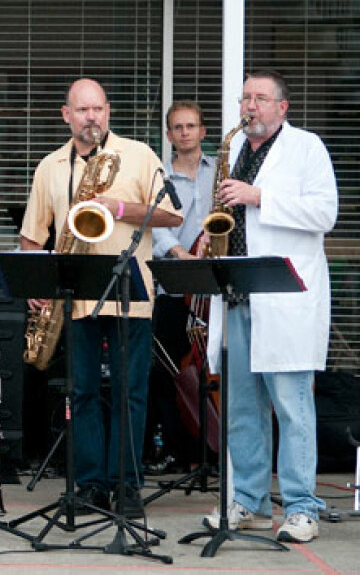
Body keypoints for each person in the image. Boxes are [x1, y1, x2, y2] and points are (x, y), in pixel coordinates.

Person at [20, 77, 181, 518]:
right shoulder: (51, 165)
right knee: (83, 392)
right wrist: (37, 285)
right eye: (83, 110)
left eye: (99, 109)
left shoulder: (139, 155)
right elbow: (33, 236)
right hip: (76, 297)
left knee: (132, 391)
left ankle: (127, 485)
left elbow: (172, 214)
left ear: (108, 111)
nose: (92, 117)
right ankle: (91, 483)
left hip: (130, 292)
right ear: (66, 114)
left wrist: (119, 208)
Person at [199, 70, 337, 544]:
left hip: (283, 297)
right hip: (238, 294)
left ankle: (301, 508)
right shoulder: (235, 150)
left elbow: (325, 213)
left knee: (292, 406)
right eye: (245, 98)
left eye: (260, 98)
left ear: (283, 107)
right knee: (241, 406)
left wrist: (260, 197)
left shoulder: (307, 148)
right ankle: (252, 502)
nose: (249, 106)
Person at [149, 101, 216, 471]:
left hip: (214, 289)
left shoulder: (221, 172)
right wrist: (179, 252)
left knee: (214, 371)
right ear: (169, 134)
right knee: (171, 373)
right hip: (174, 287)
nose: (185, 132)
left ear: (203, 131)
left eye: (191, 126)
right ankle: (179, 450)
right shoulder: (159, 176)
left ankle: (215, 448)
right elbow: (154, 226)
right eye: (178, 127)